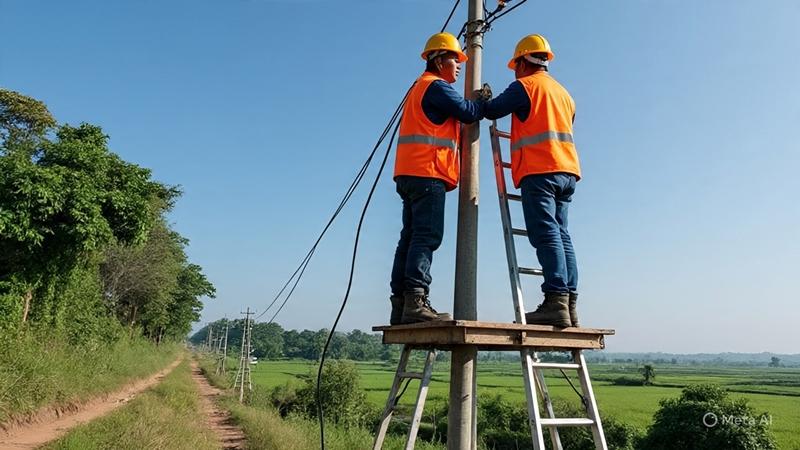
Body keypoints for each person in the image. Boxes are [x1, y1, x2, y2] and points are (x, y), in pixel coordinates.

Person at [483, 34, 581, 327]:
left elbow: (491, 110)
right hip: (567, 171)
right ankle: (568, 304)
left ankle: (555, 301)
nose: (514, 71)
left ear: (525, 61)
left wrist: (482, 98)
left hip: (540, 170)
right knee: (562, 234)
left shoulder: (524, 87)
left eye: (515, 65)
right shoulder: (565, 94)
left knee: (545, 233)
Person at [389, 32, 485, 324]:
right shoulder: (436, 87)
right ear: (440, 59)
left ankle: (402, 305)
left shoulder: (420, 87)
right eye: (456, 60)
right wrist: (482, 101)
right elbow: (468, 113)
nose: (459, 66)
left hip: (410, 173)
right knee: (427, 236)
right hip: (428, 172)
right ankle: (416, 301)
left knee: (409, 237)